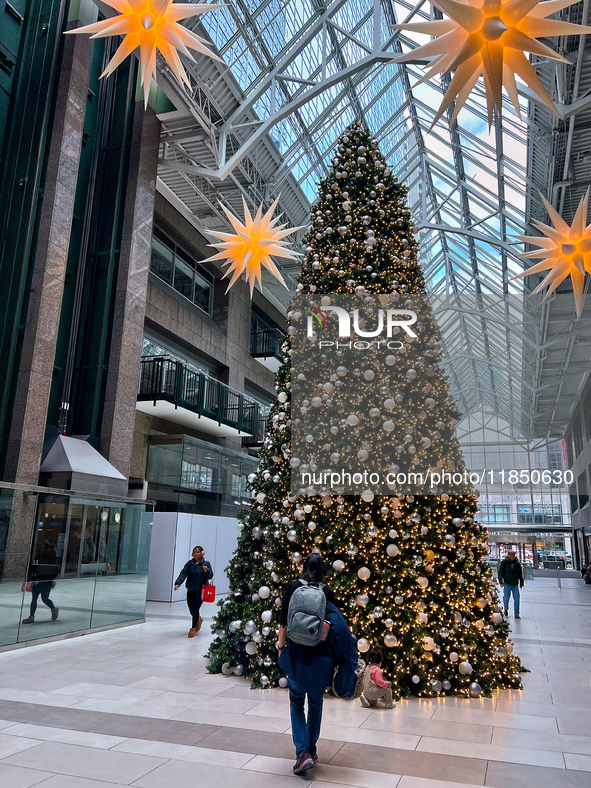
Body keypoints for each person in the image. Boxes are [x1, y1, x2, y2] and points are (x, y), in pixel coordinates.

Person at [278, 553, 346, 776]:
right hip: (319, 657)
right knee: (315, 704)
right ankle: (312, 751)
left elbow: (283, 623)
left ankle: (302, 753)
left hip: (296, 653)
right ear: (323, 570)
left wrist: (281, 649)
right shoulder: (326, 592)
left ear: (303, 567)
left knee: (296, 701)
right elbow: (336, 626)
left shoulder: (293, 587)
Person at [174, 545, 213, 638]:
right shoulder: (189, 564)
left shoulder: (206, 564)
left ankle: (193, 628)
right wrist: (178, 583)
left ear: (202, 553)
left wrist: (206, 571)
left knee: (195, 608)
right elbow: (183, 573)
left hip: (200, 590)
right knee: (191, 608)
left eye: (198, 552)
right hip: (190, 589)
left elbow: (210, 576)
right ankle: (198, 619)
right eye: (194, 552)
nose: (196, 554)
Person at [22, 541, 59, 624]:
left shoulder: (44, 556)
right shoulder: (44, 556)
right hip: (42, 580)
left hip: (42, 580)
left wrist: (35, 578)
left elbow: (39, 568)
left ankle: (52, 609)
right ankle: (32, 616)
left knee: (40, 598)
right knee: (40, 598)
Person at [498, 549, 524, 619]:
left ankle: (516, 614)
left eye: (513, 555)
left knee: (517, 598)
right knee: (506, 597)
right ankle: (506, 609)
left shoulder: (517, 564)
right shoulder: (504, 562)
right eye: (511, 555)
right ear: (508, 555)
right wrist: (501, 581)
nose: (512, 556)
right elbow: (500, 572)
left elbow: (520, 574)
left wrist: (521, 583)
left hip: (515, 584)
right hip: (507, 583)